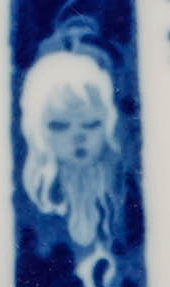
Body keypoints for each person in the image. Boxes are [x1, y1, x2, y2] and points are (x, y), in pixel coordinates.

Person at [16, 45, 123, 253]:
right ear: (37, 131)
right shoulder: (34, 201)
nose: (79, 137)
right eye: (60, 126)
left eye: (91, 124)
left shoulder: (118, 189)